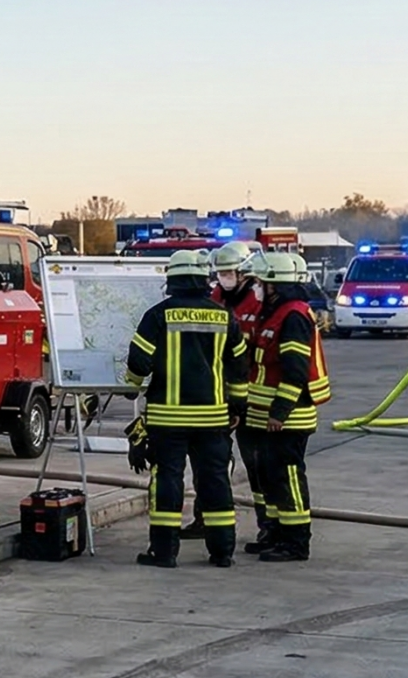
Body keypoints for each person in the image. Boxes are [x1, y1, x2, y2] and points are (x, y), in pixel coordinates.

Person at [125, 250, 247, 568]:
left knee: (167, 480)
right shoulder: (225, 317)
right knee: (215, 481)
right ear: (205, 279)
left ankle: (164, 552)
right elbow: (239, 368)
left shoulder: (158, 315)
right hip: (213, 419)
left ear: (172, 280)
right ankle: (222, 552)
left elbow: (138, 361)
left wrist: (131, 386)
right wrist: (237, 407)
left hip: (168, 419)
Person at [244, 252, 330, 562]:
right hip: (268, 416)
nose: (256, 288)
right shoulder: (274, 312)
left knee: (288, 477)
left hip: (289, 417)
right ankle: (276, 534)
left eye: (259, 282)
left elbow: (295, 371)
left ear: (274, 285)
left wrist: (279, 412)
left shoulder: (293, 316)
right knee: (270, 476)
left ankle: (296, 542)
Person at [210, 243, 271, 542]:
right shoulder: (215, 298)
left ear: (243, 272)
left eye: (228, 272)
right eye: (220, 272)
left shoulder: (258, 303)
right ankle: (205, 520)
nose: (224, 277)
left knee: (256, 463)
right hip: (215, 393)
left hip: (250, 396)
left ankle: (267, 525)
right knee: (211, 464)